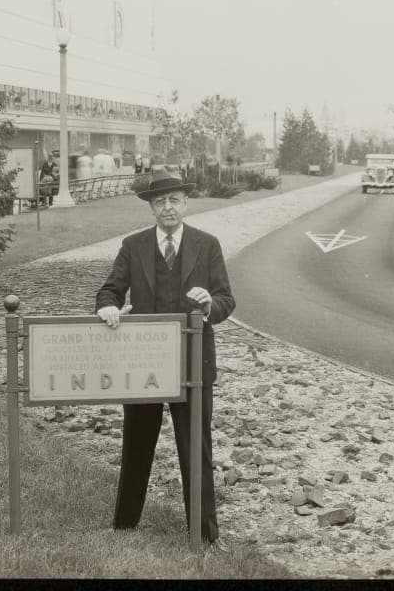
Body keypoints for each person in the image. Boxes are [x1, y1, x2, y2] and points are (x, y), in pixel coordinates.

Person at [95, 165, 235, 546]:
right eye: (160, 202)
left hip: (193, 363)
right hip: (143, 362)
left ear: (186, 203)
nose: (168, 208)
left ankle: (205, 534)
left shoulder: (208, 245)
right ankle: (124, 527)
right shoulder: (133, 245)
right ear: (151, 208)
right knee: (137, 442)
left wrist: (209, 306)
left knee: (196, 448)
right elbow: (109, 291)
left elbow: (226, 299)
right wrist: (107, 309)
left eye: (174, 200)